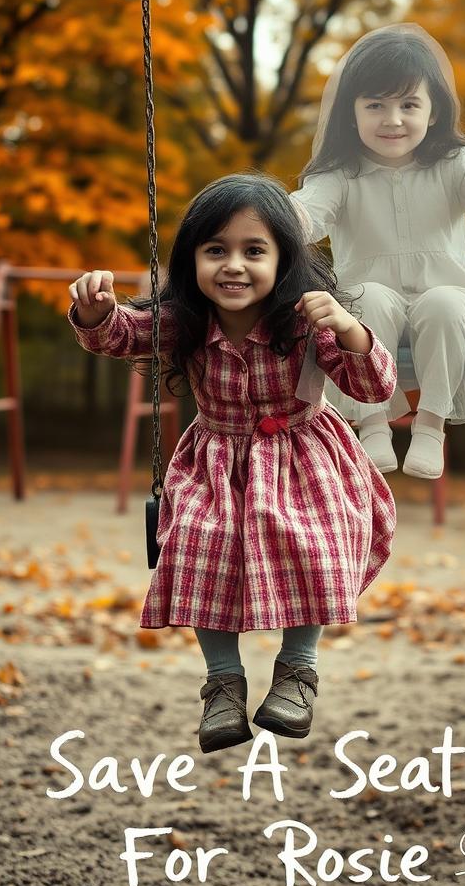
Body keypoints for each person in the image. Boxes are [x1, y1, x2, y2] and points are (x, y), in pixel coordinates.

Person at [68, 173, 397, 754]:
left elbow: (372, 387)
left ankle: (298, 669)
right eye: (215, 250)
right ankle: (222, 681)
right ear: (192, 258)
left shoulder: (304, 324)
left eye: (253, 250)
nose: (233, 266)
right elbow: (120, 336)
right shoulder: (186, 321)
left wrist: (349, 330)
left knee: (310, 541)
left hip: (304, 459)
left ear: (283, 260)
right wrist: (96, 313)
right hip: (216, 461)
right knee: (197, 544)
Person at [290, 23, 465, 480]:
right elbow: (303, 215)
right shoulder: (341, 174)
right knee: (365, 299)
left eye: (408, 105)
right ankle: (372, 424)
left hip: (448, 303)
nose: (392, 120)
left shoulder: (455, 166)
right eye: (375, 105)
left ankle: (431, 427)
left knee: (444, 302)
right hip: (371, 307)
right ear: (350, 113)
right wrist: (268, 216)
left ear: (433, 113)